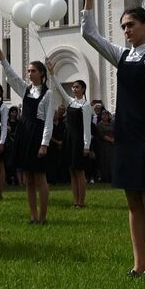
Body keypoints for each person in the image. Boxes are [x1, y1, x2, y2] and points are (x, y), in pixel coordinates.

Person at [81, 0, 145, 278]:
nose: (126, 31)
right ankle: (137, 264)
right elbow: (90, 35)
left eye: (131, 25)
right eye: (123, 27)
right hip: (125, 135)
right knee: (132, 202)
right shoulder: (123, 56)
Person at [0, 36, 66, 225]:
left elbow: (49, 120)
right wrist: (0, 53)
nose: (29, 74)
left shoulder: (48, 93)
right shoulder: (26, 90)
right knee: (28, 179)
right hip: (24, 134)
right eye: (28, 71)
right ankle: (32, 216)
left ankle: (43, 217)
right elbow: (10, 74)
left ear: (42, 73)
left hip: (37, 134)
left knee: (40, 178)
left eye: (33, 71)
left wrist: (44, 143)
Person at [65, 79, 95, 209]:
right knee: (72, 171)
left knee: (79, 171)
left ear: (83, 89)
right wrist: (52, 74)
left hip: (79, 140)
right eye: (73, 87)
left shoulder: (86, 105)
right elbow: (59, 89)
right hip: (69, 139)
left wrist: (86, 145)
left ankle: (81, 202)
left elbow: (87, 127)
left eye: (77, 87)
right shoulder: (71, 102)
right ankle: (75, 200)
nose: (74, 89)